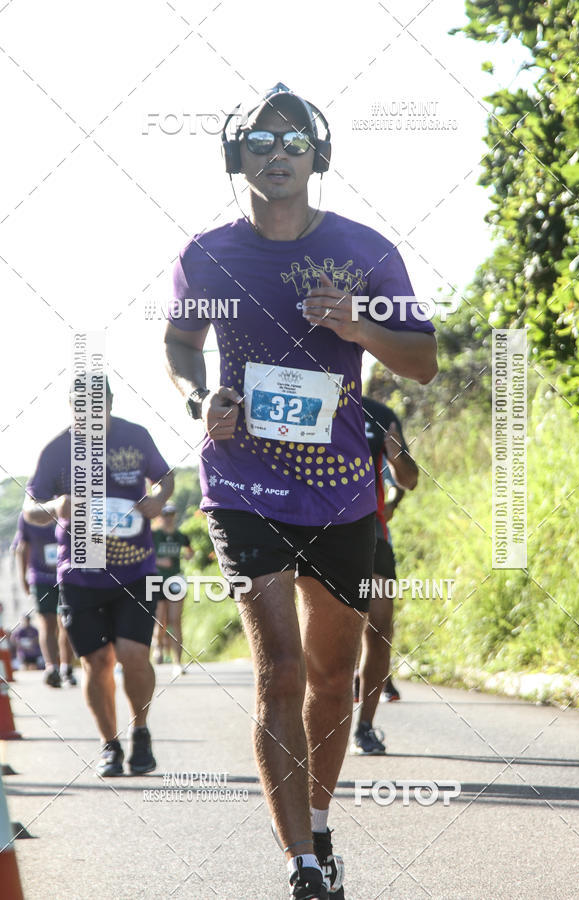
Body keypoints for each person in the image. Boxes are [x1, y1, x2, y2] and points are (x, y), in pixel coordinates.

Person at [164, 83, 437, 899]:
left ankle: (317, 821)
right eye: (259, 141)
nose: (276, 153)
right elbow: (180, 342)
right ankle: (302, 864)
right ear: (235, 156)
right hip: (243, 482)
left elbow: (420, 360)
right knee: (279, 670)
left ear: (317, 157)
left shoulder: (366, 250)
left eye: (292, 142)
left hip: (343, 490)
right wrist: (194, 398)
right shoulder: (207, 254)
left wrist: (358, 327)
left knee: (332, 675)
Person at [23, 377, 174, 776]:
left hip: (135, 566)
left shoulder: (134, 435)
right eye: (81, 409)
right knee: (96, 662)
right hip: (80, 572)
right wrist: (59, 505)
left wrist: (157, 501)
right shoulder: (57, 449)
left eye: (97, 407)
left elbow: (166, 475)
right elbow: (30, 509)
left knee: (133, 654)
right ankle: (110, 745)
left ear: (109, 402)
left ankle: (140, 732)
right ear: (71, 408)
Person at [350, 395, 419, 755]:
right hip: (311, 530)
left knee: (379, 627)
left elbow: (409, 479)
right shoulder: (304, 388)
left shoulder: (379, 415)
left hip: (371, 532)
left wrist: (395, 453)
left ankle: (365, 726)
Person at [12, 512, 76, 687]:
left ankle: (66, 667)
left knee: (67, 623)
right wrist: (22, 576)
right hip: (41, 578)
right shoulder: (28, 514)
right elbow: (22, 547)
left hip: (68, 576)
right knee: (47, 623)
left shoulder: (67, 507)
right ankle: (51, 668)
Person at [151, 503, 193, 675]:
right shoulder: (154, 535)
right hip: (156, 580)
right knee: (161, 621)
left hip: (175, 579)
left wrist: (188, 555)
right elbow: (144, 555)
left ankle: (177, 662)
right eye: (165, 514)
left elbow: (190, 552)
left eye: (171, 514)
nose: (168, 518)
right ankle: (158, 646)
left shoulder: (180, 536)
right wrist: (159, 562)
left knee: (176, 620)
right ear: (160, 516)